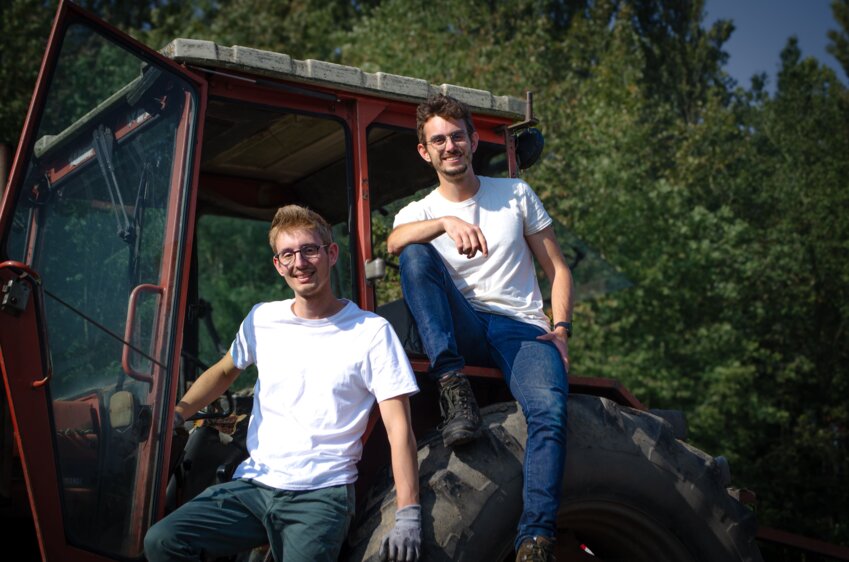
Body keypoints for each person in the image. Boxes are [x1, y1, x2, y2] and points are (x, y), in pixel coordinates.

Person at [145, 205, 422, 562]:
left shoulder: (371, 332)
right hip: (255, 487)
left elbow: (399, 428)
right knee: (163, 541)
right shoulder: (263, 318)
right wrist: (179, 412)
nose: (300, 263)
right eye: (288, 254)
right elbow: (225, 370)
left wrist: (408, 512)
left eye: (309, 250)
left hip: (320, 495)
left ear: (331, 253)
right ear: (278, 265)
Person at [387, 94, 573, 562]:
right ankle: (452, 385)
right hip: (463, 326)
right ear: (424, 152)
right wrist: (444, 222)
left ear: (472, 140)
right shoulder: (419, 211)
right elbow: (393, 242)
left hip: (520, 327)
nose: (449, 146)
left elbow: (558, 270)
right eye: (438, 140)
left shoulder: (514, 194)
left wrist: (563, 328)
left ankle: (535, 539)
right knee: (414, 254)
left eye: (456, 136)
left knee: (550, 412)